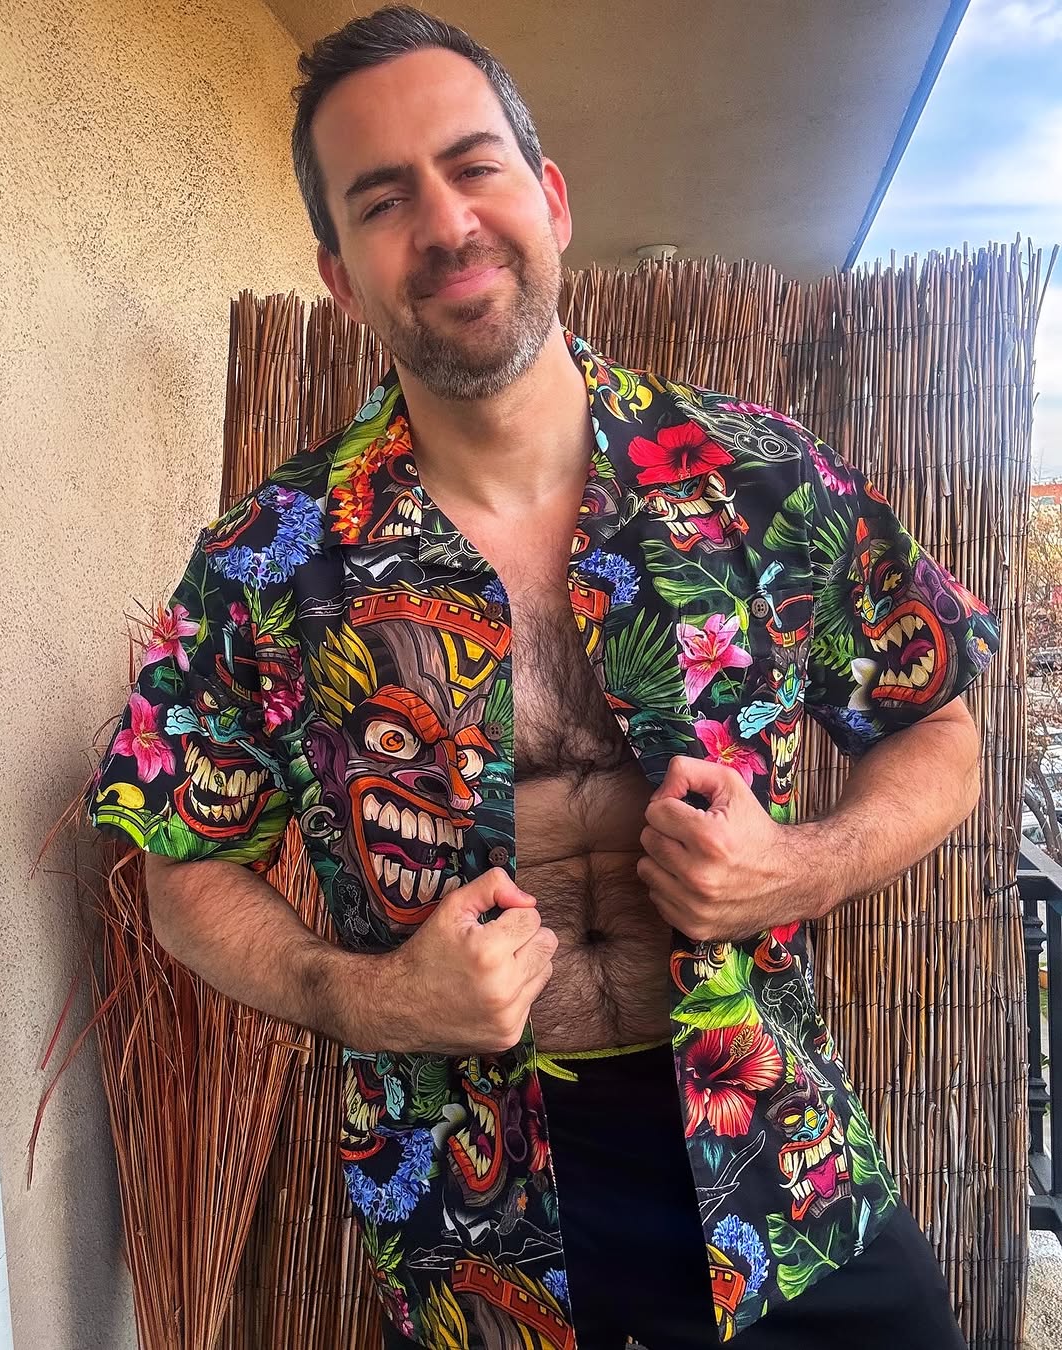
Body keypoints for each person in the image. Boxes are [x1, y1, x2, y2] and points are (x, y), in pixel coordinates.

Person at [86, 7, 1000, 1347]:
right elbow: (183, 873)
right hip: (471, 1220)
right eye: (384, 200)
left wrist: (799, 867)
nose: (447, 223)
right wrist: (372, 996)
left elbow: (940, 731)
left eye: (475, 167)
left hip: (772, 1161)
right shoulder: (269, 563)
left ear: (552, 199)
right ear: (339, 277)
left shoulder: (754, 479)